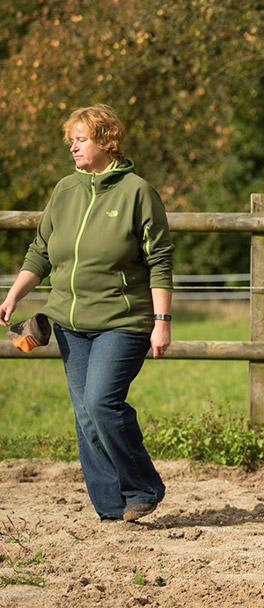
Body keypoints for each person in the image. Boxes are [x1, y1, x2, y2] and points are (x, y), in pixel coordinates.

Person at [0, 104, 173, 523]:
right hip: (69, 325)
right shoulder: (65, 191)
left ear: (106, 141)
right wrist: (14, 296)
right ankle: (113, 510)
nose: (73, 148)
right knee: (85, 415)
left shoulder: (137, 192)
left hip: (122, 322)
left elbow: (160, 260)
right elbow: (41, 252)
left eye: (81, 140)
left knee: (101, 402)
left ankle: (144, 488)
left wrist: (162, 322)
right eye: (71, 141)